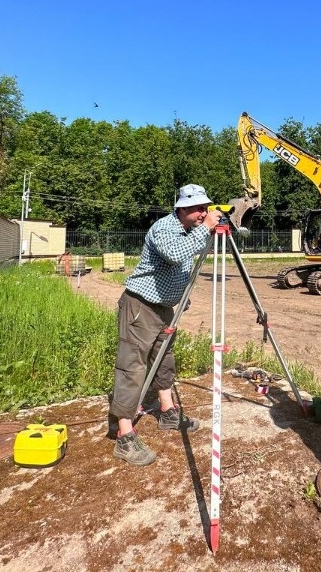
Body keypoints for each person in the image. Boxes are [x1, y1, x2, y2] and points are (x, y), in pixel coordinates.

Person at [108, 184, 223, 466]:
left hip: (164, 308)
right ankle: (124, 436)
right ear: (181, 208)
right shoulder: (164, 228)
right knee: (132, 365)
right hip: (140, 307)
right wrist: (206, 227)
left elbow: (180, 269)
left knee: (164, 360)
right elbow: (176, 254)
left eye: (205, 208)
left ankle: (168, 412)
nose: (203, 213)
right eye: (197, 208)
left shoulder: (189, 231)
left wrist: (179, 298)